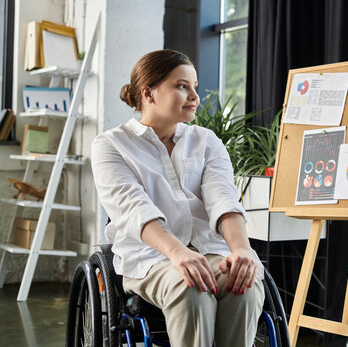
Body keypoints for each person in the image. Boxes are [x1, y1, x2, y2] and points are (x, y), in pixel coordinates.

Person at [90, 49, 264, 347]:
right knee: (190, 286)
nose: (195, 96)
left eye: (194, 87)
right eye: (182, 86)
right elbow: (134, 209)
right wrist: (178, 253)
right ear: (149, 93)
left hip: (210, 250)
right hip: (150, 259)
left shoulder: (206, 141)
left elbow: (223, 198)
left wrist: (241, 249)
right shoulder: (111, 145)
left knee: (244, 286)